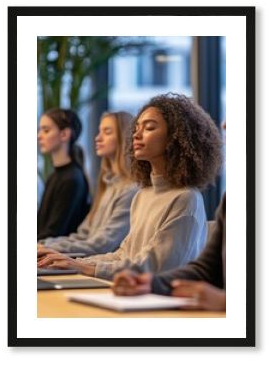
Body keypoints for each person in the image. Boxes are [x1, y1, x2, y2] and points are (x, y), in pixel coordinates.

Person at [38, 93, 222, 281]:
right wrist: (72, 262)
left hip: (159, 301)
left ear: (175, 137)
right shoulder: (143, 195)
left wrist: (82, 266)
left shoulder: (185, 198)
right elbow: (124, 254)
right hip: (135, 293)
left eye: (149, 127)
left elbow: (156, 265)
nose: (136, 134)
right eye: (137, 128)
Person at [112, 124, 227, 312]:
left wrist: (226, 303)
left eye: (149, 127)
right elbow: (205, 269)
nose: (224, 125)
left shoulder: (186, 197)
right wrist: (150, 283)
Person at [38, 111, 138, 256]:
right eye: (99, 132)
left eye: (107, 132)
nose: (98, 138)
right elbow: (83, 234)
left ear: (124, 137)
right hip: (87, 262)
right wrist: (44, 245)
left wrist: (47, 248)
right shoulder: (107, 187)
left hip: (102, 270)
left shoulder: (131, 191)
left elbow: (103, 244)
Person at [37, 108, 90, 240]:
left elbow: (54, 233)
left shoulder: (71, 179)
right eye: (40, 130)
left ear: (64, 134)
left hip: (56, 254)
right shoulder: (54, 176)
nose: (39, 136)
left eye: (46, 130)